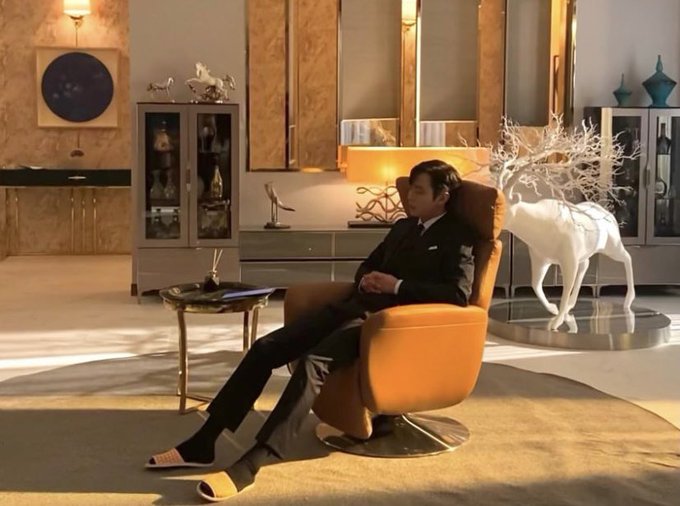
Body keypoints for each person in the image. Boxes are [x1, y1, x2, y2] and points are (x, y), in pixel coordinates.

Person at [146, 159, 476, 502]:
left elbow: (457, 294)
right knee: (266, 348)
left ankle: (254, 462)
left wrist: (396, 286)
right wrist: (367, 278)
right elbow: (368, 264)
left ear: (442, 196)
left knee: (313, 362)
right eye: (411, 190)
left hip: (386, 326)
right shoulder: (404, 227)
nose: (410, 197)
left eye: (419, 191)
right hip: (352, 307)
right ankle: (204, 442)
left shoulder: (458, 235)